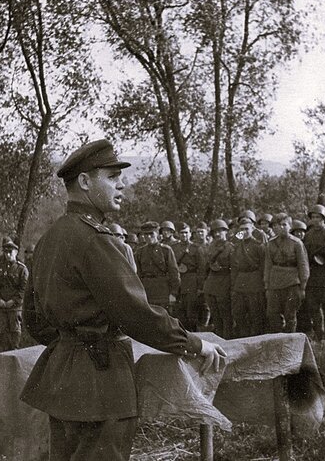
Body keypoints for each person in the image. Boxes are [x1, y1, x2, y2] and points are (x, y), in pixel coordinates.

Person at [21, 139, 225, 461]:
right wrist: (194, 344)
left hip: (61, 376)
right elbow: (137, 315)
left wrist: (71, 343)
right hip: (101, 382)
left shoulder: (49, 239)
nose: (122, 184)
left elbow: (33, 318)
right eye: (113, 177)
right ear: (85, 182)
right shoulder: (97, 240)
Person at [264, 214, 310, 334]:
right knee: (272, 313)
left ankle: (290, 339)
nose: (281, 227)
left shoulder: (296, 243)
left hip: (292, 282)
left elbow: (303, 265)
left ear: (290, 227)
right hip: (275, 282)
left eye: (284, 224)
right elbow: (268, 265)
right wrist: (267, 284)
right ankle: (278, 338)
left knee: (290, 314)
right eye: (277, 225)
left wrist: (303, 286)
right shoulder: (270, 243)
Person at [302, 205, 325, 341]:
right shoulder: (308, 236)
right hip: (312, 277)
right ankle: (319, 333)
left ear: (324, 219)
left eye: (318, 217)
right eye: (313, 217)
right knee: (314, 306)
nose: (315, 220)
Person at [230, 215, 267, 337]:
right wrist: (234, 284)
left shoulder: (258, 246)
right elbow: (234, 267)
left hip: (254, 280)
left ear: (252, 229)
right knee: (238, 312)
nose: (244, 232)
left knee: (255, 312)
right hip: (240, 281)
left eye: (247, 229)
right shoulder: (237, 246)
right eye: (242, 230)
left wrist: (263, 283)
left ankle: (255, 337)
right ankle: (243, 335)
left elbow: (263, 266)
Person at [0, 237, 29, 352]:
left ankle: (14, 351)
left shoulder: (21, 269)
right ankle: (5, 350)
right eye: (5, 252)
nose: (8, 255)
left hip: (14, 305)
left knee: (14, 330)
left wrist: (13, 301)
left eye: (10, 252)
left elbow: (23, 289)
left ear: (16, 252)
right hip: (1, 304)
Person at [135, 222, 180, 311]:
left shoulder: (166, 250)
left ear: (157, 234)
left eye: (151, 234)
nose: (148, 237)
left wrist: (173, 293)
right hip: (147, 290)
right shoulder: (140, 252)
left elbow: (174, 273)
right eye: (146, 234)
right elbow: (138, 274)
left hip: (162, 290)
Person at [200, 219, 235, 336]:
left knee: (225, 314)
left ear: (226, 232)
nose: (217, 234)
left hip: (225, 281)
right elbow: (205, 266)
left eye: (220, 231)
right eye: (215, 232)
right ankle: (220, 337)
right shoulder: (210, 247)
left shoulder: (230, 247)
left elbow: (233, 267)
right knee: (215, 315)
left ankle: (227, 338)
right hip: (211, 283)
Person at [174, 223, 206, 331]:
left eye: (186, 233)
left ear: (190, 234)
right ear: (178, 234)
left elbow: (201, 269)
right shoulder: (174, 248)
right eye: (182, 233)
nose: (184, 235)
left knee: (191, 313)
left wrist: (200, 287)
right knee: (180, 313)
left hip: (192, 282)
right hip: (178, 282)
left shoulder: (196, 248)